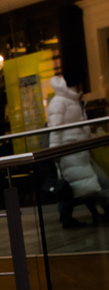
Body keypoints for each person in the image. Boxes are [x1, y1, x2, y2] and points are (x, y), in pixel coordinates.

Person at [47, 71, 109, 228]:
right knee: (81, 185)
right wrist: (55, 150)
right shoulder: (59, 102)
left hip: (78, 149)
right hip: (69, 150)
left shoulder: (73, 100)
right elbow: (55, 128)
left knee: (83, 185)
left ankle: (71, 218)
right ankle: (74, 218)